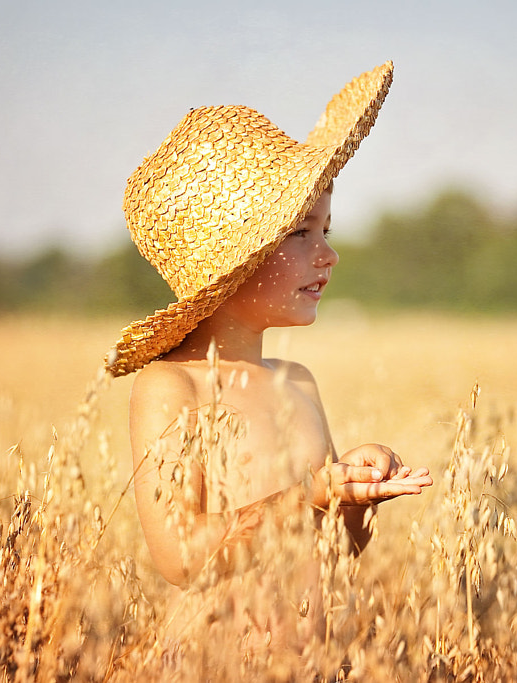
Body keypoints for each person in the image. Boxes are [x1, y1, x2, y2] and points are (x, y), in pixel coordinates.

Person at [104, 62, 432, 656]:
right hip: (219, 664)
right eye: (302, 234)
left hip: (312, 662)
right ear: (236, 260)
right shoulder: (172, 388)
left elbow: (335, 550)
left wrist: (354, 494)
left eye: (326, 231)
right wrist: (307, 492)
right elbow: (181, 559)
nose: (328, 255)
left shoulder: (297, 381)